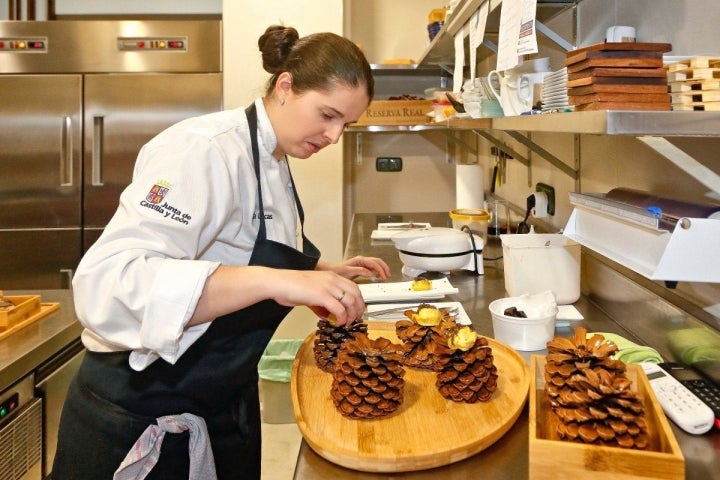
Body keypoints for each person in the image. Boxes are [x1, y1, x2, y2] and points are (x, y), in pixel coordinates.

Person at [51, 25, 389, 480]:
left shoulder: (272, 155)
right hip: (142, 410)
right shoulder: (203, 149)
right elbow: (108, 286)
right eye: (327, 115)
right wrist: (282, 281)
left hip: (222, 401)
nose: (334, 136)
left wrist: (321, 272)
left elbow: (240, 247)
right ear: (286, 86)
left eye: (345, 125)